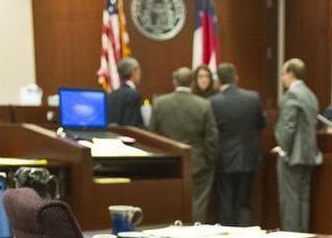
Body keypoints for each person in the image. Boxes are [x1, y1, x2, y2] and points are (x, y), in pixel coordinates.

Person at [149, 67, 219, 222]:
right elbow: (211, 137)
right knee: (198, 204)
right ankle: (195, 234)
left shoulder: (160, 103)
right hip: (198, 163)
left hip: (169, 163)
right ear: (192, 82)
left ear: (174, 81)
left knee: (170, 203)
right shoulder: (204, 104)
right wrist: (211, 161)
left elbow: (152, 135)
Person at [209, 63, 267, 226]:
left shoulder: (213, 102)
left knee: (226, 201)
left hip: (224, 158)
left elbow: (210, 130)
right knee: (243, 202)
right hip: (249, 158)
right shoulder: (252, 97)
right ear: (236, 77)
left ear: (218, 81)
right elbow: (262, 124)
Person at [273, 58, 322, 232]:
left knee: (290, 199)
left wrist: (283, 148)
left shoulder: (292, 95)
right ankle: (302, 235)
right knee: (303, 198)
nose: (282, 78)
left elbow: (288, 126)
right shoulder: (311, 95)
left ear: (291, 74)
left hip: (293, 154)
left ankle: (292, 237)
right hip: (309, 154)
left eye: (283, 74)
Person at [108, 58, 145, 127]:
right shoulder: (133, 95)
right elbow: (133, 125)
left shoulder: (111, 94)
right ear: (134, 71)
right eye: (139, 71)